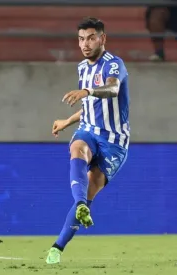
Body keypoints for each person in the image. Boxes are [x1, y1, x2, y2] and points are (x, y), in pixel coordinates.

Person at [46, 17, 130, 264]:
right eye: (81, 38)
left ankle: (58, 247)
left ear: (102, 38)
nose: (85, 43)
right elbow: (90, 106)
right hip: (89, 130)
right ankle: (78, 208)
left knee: (92, 186)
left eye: (91, 37)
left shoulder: (114, 64)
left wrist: (87, 91)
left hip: (114, 141)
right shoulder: (82, 67)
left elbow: (112, 90)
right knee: (78, 148)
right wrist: (67, 121)